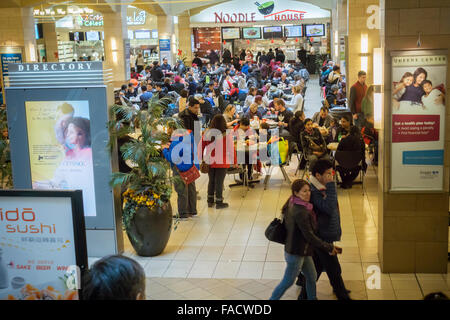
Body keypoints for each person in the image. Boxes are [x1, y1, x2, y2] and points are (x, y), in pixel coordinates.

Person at [270, 179, 338, 300]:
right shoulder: (301, 212)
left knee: (312, 276)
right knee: (287, 282)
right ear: (296, 193)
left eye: (308, 190)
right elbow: (309, 236)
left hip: (302, 250)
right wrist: (329, 247)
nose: (308, 194)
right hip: (295, 253)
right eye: (304, 191)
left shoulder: (292, 203)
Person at [297, 159, 350, 300]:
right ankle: (342, 294)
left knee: (318, 267)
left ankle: (303, 291)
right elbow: (329, 207)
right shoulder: (313, 191)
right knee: (332, 269)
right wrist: (332, 185)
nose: (331, 176)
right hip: (322, 236)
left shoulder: (320, 187)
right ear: (318, 175)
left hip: (324, 234)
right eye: (327, 173)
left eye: (331, 173)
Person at [162, 121, 199, 219]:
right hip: (190, 166)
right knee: (191, 189)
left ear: (172, 128)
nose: (167, 130)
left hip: (179, 168)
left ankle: (183, 213)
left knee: (181, 190)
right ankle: (192, 211)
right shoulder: (189, 136)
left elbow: (171, 157)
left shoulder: (176, 139)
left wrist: (164, 149)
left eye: (168, 128)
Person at [199, 114, 236, 209]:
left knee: (211, 181)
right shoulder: (226, 135)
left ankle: (210, 201)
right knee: (219, 182)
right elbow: (231, 149)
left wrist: (201, 158)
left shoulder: (207, 133)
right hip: (222, 161)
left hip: (210, 161)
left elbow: (201, 147)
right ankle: (219, 202)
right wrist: (234, 161)